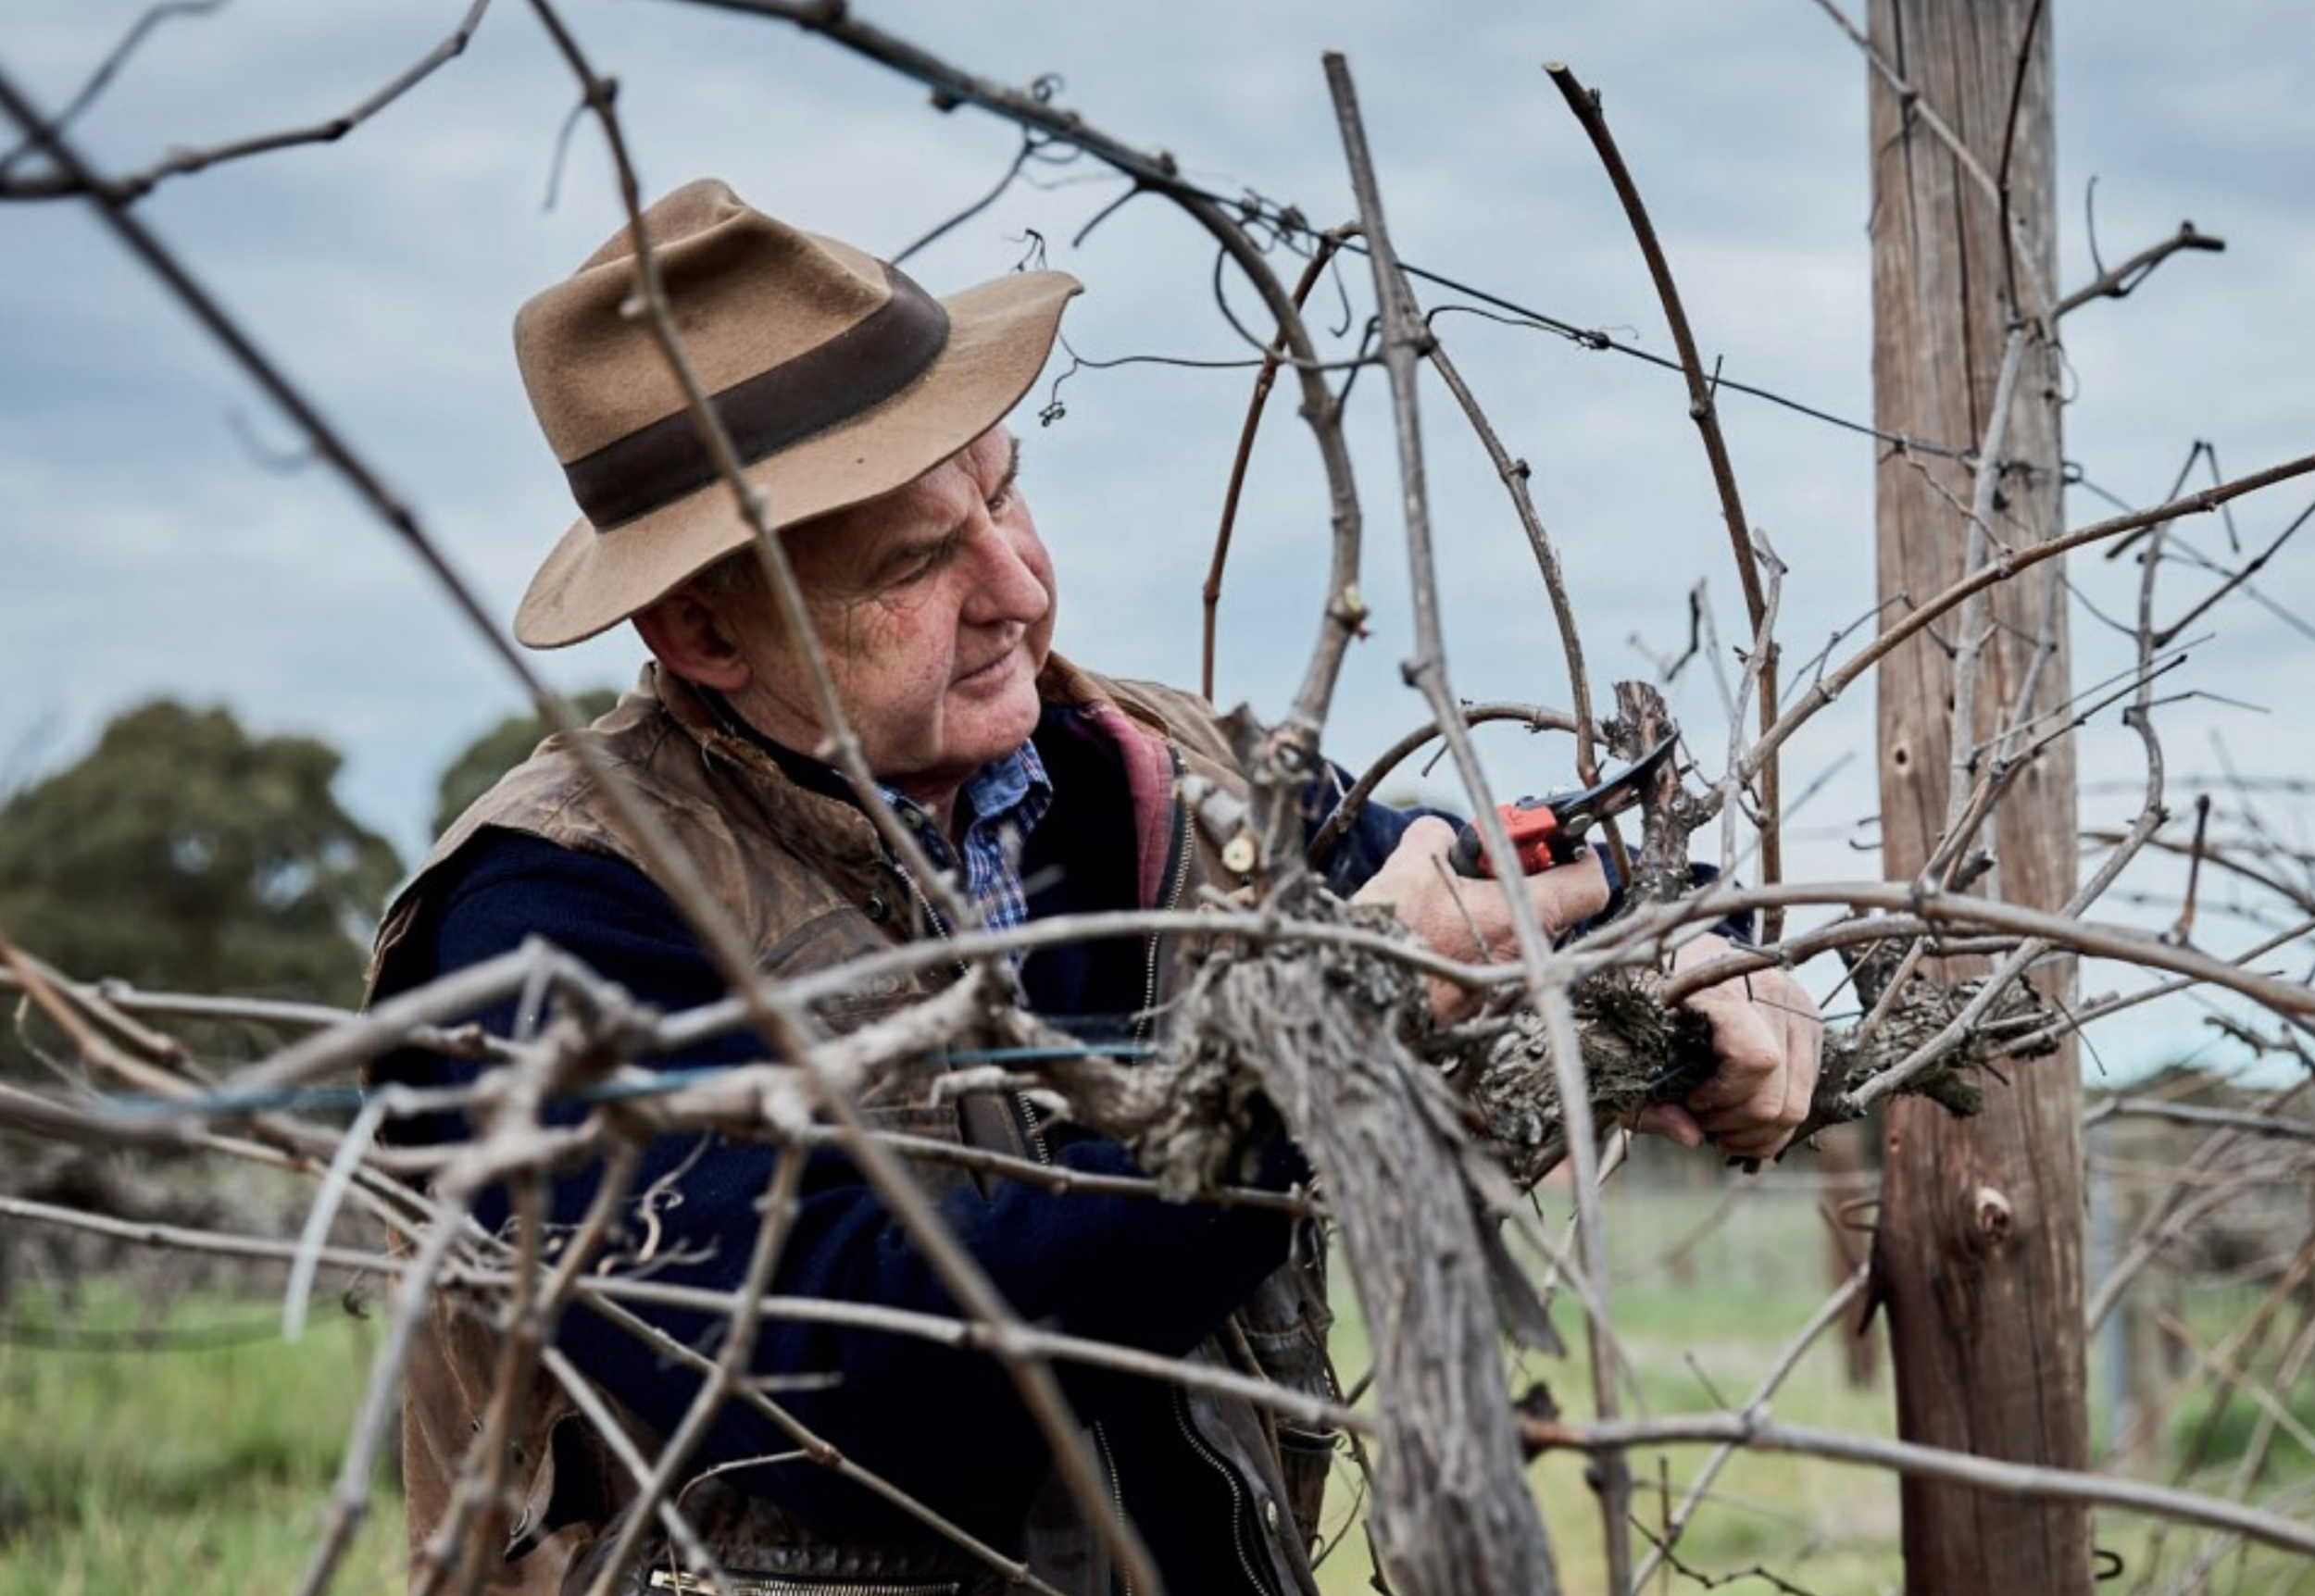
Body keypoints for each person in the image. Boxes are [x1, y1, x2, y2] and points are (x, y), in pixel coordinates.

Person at [369, 179, 1821, 1596]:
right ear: (703, 632)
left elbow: (1507, 882)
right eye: (916, 560)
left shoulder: (1173, 783)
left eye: (1005, 490)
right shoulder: (543, 927)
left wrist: (1708, 953)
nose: (1017, 587)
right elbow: (839, 1392)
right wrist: (1335, 1025)